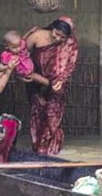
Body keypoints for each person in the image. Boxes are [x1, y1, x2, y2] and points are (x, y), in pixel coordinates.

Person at [24, 15, 79, 155]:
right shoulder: (37, 36)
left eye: (63, 37)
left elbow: (70, 65)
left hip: (57, 84)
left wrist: (60, 80)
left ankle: (48, 147)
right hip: (35, 81)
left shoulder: (71, 44)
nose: (58, 39)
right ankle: (38, 145)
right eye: (56, 34)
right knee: (37, 112)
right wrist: (26, 73)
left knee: (52, 114)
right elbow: (21, 53)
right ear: (52, 28)